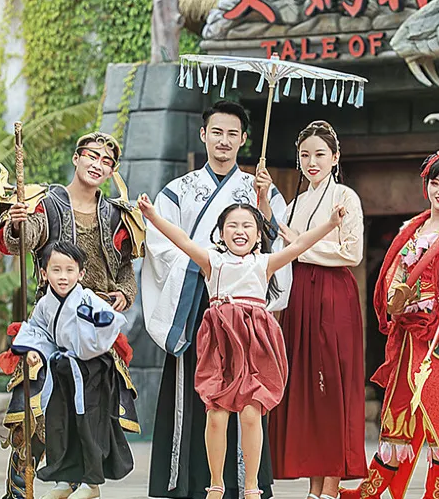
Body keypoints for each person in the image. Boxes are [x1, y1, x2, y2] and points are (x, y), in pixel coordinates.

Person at [138, 195, 345, 499]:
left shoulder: (264, 263)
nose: (240, 230)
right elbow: (182, 239)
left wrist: (331, 223)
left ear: (258, 234)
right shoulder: (212, 261)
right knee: (216, 414)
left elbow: (299, 245)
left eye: (247, 225)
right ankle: (216, 484)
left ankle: (251, 486)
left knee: (251, 414)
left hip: (255, 343)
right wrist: (153, 216)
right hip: (220, 344)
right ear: (221, 233)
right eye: (232, 225)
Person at [142, 100, 291, 499]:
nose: (224, 141)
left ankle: (247, 483)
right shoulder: (178, 191)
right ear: (203, 134)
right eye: (217, 132)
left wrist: (263, 203)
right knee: (200, 395)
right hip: (196, 302)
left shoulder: (260, 189)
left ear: (244, 140)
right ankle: (189, 482)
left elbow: (278, 243)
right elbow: (160, 244)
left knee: (248, 398)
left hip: (243, 316)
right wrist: (207, 267)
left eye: (232, 134)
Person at [0, 131, 140, 498]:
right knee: (30, 409)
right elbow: (24, 239)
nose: (98, 164)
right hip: (50, 325)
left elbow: (125, 267)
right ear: (76, 158)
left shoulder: (116, 215)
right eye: (92, 156)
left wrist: (124, 294)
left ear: (111, 171)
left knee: (91, 415)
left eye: (106, 161)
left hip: (94, 331)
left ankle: (79, 482)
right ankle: (19, 492)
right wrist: (18, 222)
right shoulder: (47, 204)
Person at [340, 152, 439, 499]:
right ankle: (371, 492)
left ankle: (433, 496)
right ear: (426, 185)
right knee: (397, 409)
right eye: (436, 182)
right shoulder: (412, 228)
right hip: (407, 333)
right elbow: (396, 273)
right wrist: (393, 296)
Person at [267, 120, 366, 499]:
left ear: (335, 157)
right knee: (307, 385)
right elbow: (281, 245)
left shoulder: (345, 197)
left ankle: (332, 483)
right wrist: (264, 201)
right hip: (300, 296)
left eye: (320, 154)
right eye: (305, 155)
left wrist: (300, 245)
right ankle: (315, 485)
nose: (312, 162)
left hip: (332, 294)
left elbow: (351, 252)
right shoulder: (295, 203)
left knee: (332, 383)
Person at [8, 241, 134, 499]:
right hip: (62, 369)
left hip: (92, 371)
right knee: (59, 423)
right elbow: (37, 331)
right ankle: (64, 479)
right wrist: (33, 351)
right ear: (44, 273)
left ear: (81, 273)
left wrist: (94, 323)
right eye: (56, 270)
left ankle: (91, 483)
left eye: (69, 270)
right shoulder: (45, 304)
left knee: (89, 424)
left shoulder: (87, 300)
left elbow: (108, 323)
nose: (63, 276)